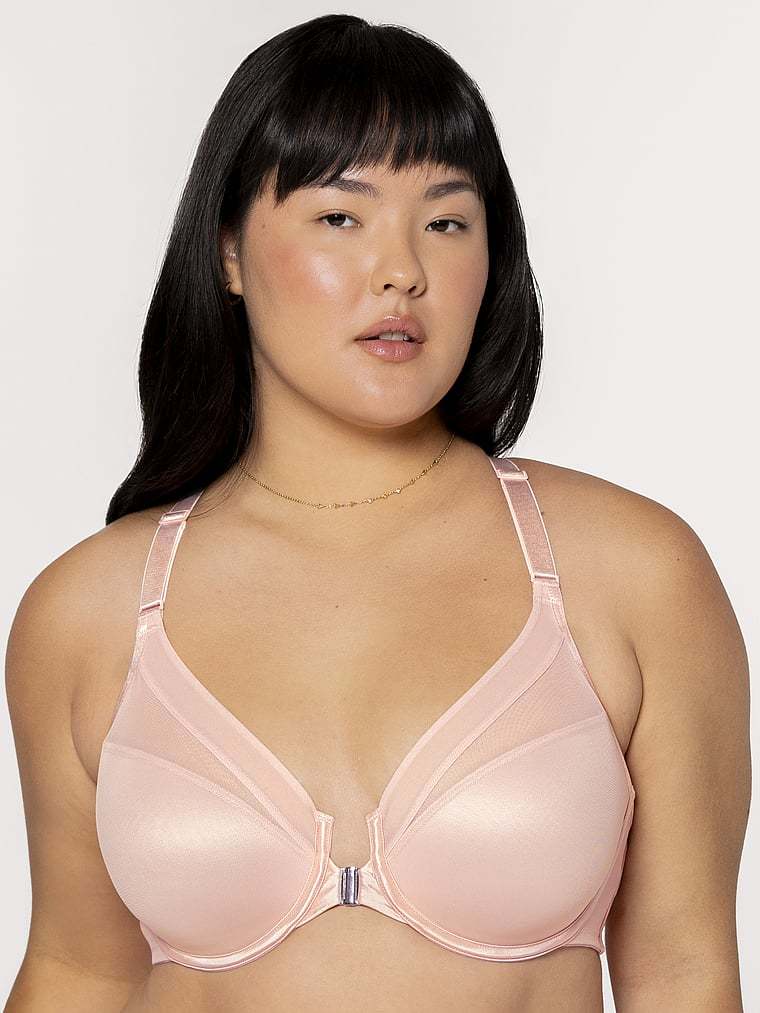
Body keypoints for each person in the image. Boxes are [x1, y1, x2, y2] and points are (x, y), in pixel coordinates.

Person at [4, 13, 749, 1013]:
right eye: (339, 216)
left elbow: (685, 973)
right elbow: (80, 971)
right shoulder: (87, 611)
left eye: (445, 221)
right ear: (228, 252)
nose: (402, 269)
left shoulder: (633, 572)